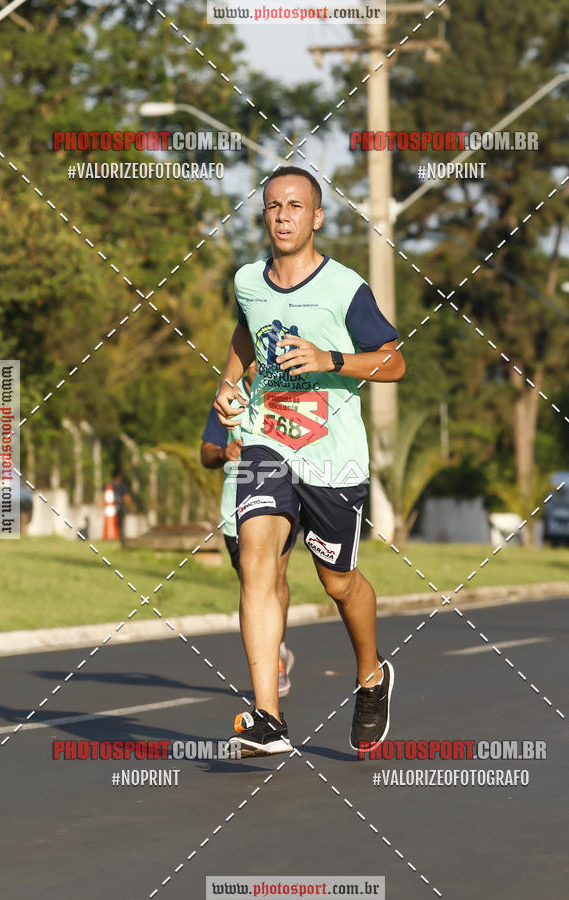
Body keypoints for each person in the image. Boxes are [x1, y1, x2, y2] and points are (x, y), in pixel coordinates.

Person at [214, 165, 405, 757]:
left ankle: (372, 675)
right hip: (268, 442)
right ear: (264, 214)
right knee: (256, 561)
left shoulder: (345, 288)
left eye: (296, 206)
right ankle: (268, 717)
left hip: (332, 459)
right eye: (274, 205)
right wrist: (226, 385)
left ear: (316, 217)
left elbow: (394, 363)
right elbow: (245, 337)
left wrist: (331, 357)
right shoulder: (248, 280)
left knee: (338, 582)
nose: (284, 215)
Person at [201, 361, 296, 698]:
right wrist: (224, 452)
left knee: (275, 577)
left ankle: (276, 656)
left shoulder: (286, 393)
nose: (257, 365)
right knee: (253, 585)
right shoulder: (228, 396)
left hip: (281, 500)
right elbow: (206, 453)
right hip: (235, 509)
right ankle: (273, 647)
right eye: (251, 358)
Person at [112, 472, 135, 547]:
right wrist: (131, 507)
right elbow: (126, 498)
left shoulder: (109, 486)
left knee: (117, 524)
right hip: (119, 509)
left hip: (110, 510)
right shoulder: (122, 487)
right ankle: (120, 538)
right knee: (120, 525)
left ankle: (116, 537)